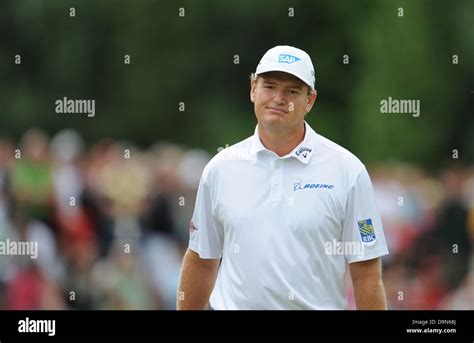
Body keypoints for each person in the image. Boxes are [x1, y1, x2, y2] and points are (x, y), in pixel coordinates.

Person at [177, 45, 389, 310]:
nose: (279, 98)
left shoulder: (347, 170)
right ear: (253, 88)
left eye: (291, 91)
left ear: (309, 100)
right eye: (270, 86)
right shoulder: (220, 169)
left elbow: (366, 270)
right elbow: (200, 258)